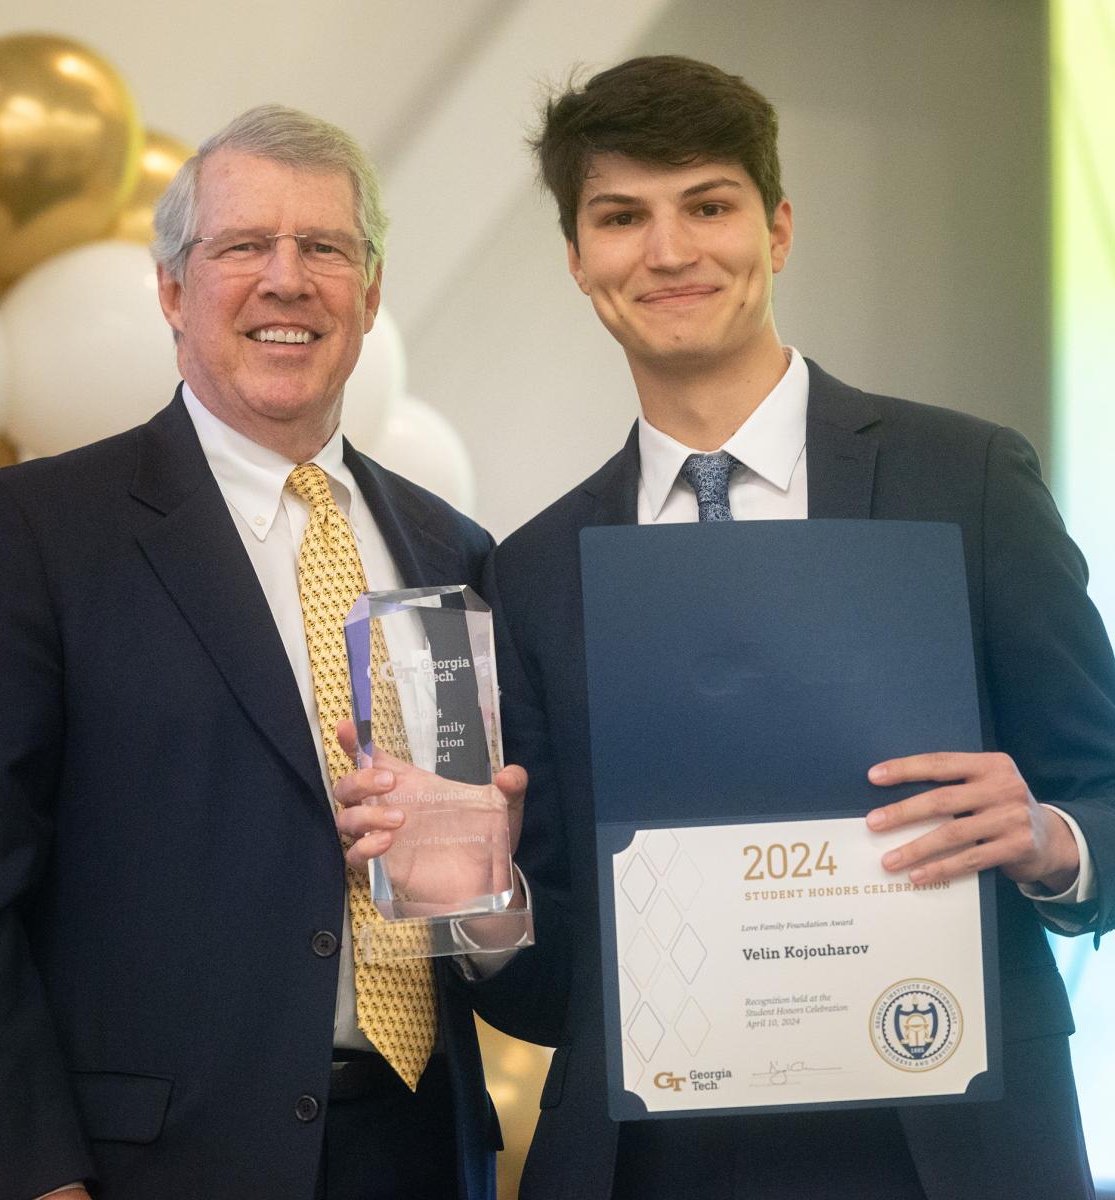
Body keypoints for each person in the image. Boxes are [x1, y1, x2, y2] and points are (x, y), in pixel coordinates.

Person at [468, 56, 1115, 1200]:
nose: (668, 253)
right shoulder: (531, 572)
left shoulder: (963, 478)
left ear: (777, 228)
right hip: (647, 1163)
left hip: (946, 1144)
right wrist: (490, 896)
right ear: (578, 260)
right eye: (622, 218)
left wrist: (1049, 834)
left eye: (708, 206)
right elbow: (545, 981)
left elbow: (1105, 795)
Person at [0, 104, 524, 1200]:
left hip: (424, 1157)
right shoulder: (35, 533)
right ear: (171, 291)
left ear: (370, 294)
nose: (286, 281)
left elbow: (494, 899)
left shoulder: (456, 549)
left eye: (325, 249)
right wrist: (26, 1181)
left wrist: (492, 887)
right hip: (146, 1168)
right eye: (242, 246)